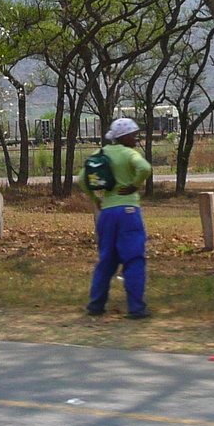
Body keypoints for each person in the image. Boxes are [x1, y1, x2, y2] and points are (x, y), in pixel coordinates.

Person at [83, 117, 152, 319]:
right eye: (134, 134)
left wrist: (96, 198)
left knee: (106, 260)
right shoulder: (130, 153)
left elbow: (82, 179)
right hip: (128, 211)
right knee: (133, 259)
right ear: (125, 136)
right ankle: (136, 308)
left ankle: (96, 305)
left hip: (107, 213)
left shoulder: (100, 153)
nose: (136, 138)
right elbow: (145, 168)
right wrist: (135, 184)